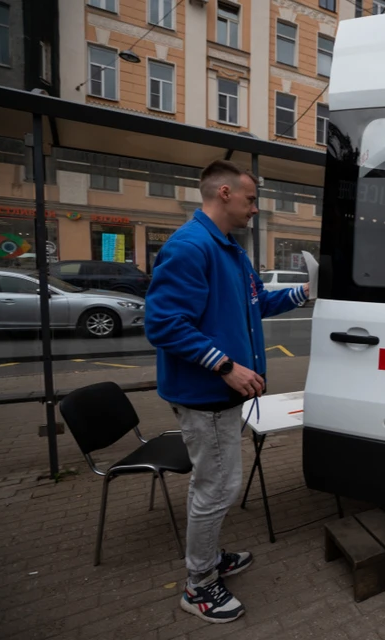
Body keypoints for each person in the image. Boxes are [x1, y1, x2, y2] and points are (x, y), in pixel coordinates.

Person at [145, 159, 310, 623]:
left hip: (221, 397)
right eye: (251, 198)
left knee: (215, 483)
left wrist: (302, 293)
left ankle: (211, 560)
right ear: (223, 194)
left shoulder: (230, 251)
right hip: (205, 396)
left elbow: (256, 302)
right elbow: (162, 324)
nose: (255, 208)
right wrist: (223, 365)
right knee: (217, 488)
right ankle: (198, 586)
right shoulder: (191, 246)